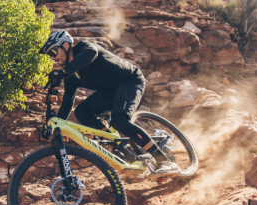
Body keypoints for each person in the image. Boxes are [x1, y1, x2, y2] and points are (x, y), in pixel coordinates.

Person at [40, 30, 180, 176]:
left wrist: (63, 72)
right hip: (110, 91)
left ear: (66, 45)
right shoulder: (71, 78)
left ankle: (164, 160)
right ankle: (117, 143)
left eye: (54, 51)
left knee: (119, 120)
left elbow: (90, 54)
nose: (53, 57)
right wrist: (54, 126)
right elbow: (67, 104)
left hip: (129, 81)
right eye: (50, 54)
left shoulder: (83, 47)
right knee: (82, 112)